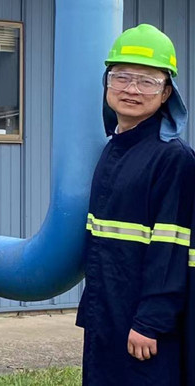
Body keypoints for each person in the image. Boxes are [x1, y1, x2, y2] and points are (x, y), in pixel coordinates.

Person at [76, 24, 195, 385]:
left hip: (144, 325)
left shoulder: (172, 158)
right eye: (122, 77)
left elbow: (172, 249)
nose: (131, 89)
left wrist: (151, 321)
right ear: (107, 83)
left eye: (148, 82)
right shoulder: (114, 148)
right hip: (106, 311)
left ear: (167, 93)